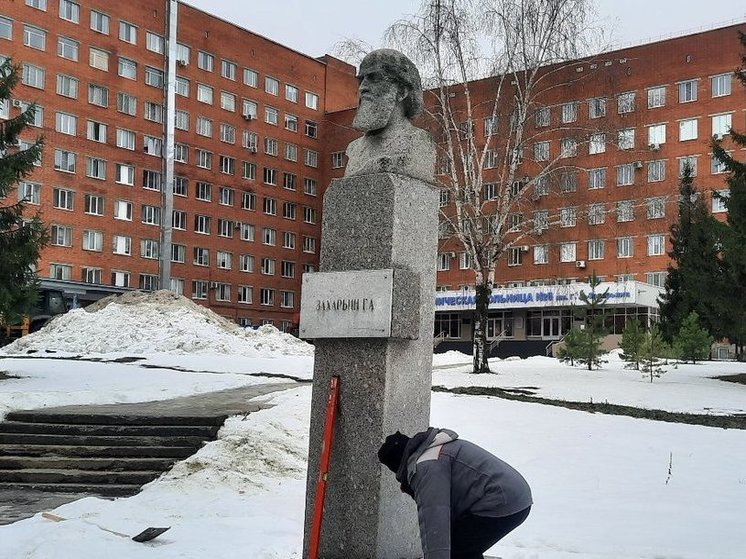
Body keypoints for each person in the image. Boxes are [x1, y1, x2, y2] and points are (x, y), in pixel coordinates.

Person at [377, 427, 532, 559]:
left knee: (455, 548)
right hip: (512, 495)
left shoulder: (426, 467)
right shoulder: (434, 448)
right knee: (462, 546)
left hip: (503, 500)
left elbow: (435, 521)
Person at [344, 48, 435, 183]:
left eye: (374, 78)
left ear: (402, 91)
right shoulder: (354, 148)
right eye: (361, 80)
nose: (362, 88)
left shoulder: (419, 142)